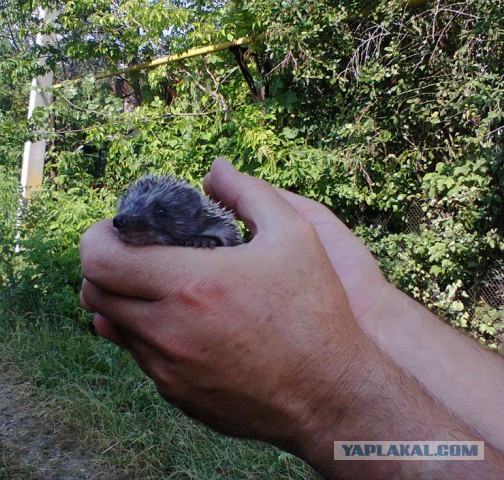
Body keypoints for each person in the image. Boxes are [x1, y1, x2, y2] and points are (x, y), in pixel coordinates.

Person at [79, 157, 504, 478]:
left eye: (159, 216)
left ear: (191, 219)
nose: (125, 221)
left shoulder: (214, 231)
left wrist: (323, 396)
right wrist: (371, 310)